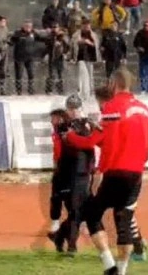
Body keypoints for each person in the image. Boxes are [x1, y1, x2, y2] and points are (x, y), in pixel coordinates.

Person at [66, 69, 148, 275]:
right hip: (136, 174)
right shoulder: (144, 109)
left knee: (91, 212)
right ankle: (122, 270)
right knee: (123, 220)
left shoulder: (112, 108)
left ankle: (109, 264)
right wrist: (138, 163)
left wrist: (70, 137)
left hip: (115, 172)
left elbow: (92, 141)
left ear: (113, 84)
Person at [48, 96, 96, 256]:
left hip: (83, 172)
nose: (73, 111)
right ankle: (70, 244)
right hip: (67, 172)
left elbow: (91, 145)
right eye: (71, 108)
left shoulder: (88, 124)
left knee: (79, 209)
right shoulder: (64, 126)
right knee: (75, 209)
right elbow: (68, 136)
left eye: (76, 108)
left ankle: (63, 238)